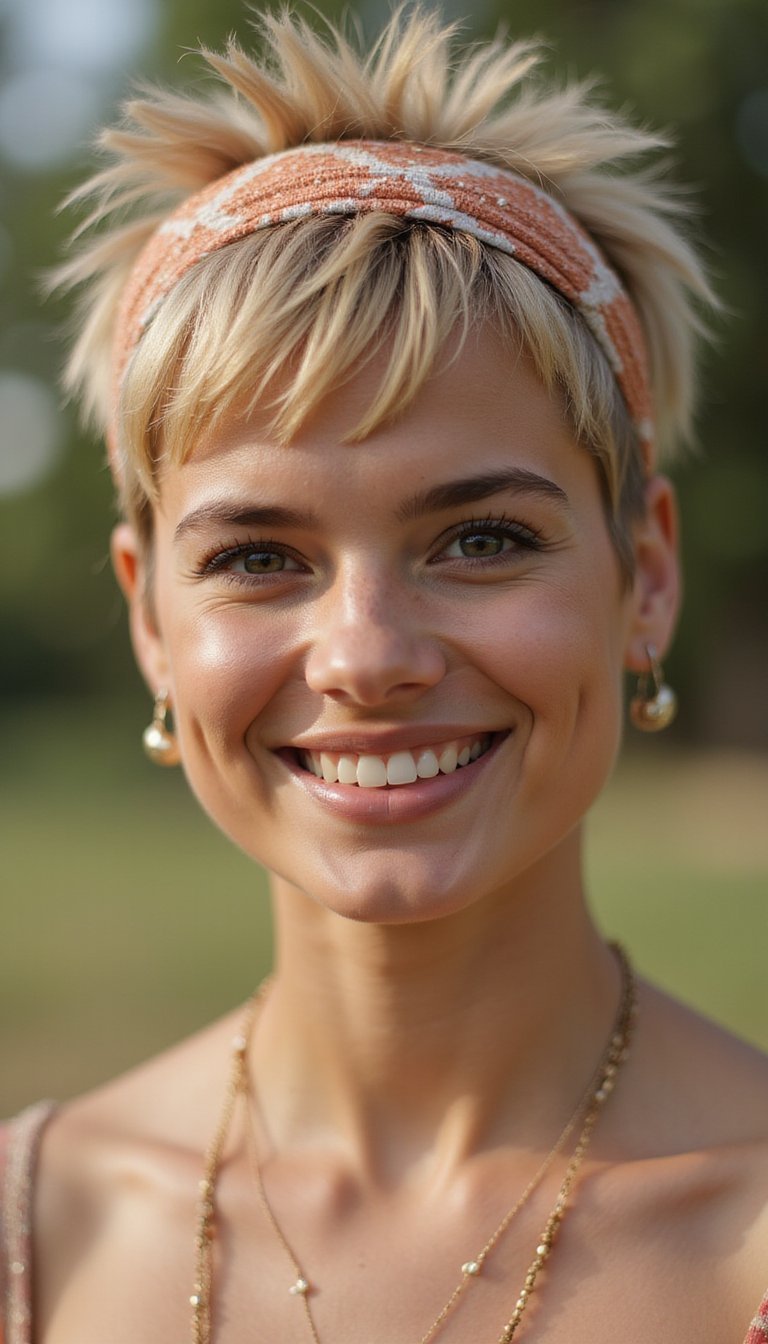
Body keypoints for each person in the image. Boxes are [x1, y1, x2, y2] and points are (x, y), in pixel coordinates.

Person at [1, 8, 766, 1342]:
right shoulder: (36, 1237)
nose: (366, 657)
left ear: (643, 574)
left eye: (482, 540)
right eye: (256, 556)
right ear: (149, 623)